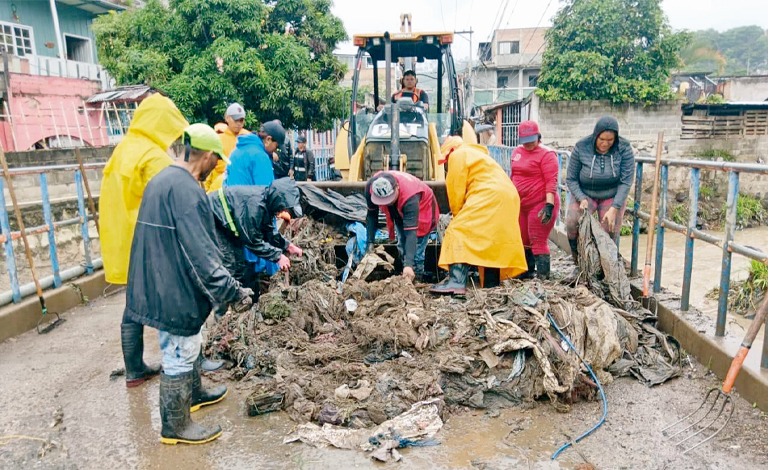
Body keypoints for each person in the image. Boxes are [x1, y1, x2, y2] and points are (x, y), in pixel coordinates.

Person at [123, 123, 255, 445]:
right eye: (216, 159)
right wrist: (232, 292)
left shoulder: (162, 179)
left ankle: (194, 394)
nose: (216, 166)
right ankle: (176, 426)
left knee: (188, 344)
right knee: (179, 354)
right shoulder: (189, 192)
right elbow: (203, 256)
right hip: (173, 288)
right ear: (207, 155)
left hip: (153, 279)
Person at [100, 93, 189, 388]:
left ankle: (135, 368)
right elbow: (174, 194)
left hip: (123, 238)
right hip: (148, 240)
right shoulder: (152, 156)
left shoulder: (124, 149)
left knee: (133, 303)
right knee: (175, 301)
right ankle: (186, 370)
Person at [430, 136, 528, 295]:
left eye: (446, 160)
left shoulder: (458, 155)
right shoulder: (480, 156)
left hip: (489, 195)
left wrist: (457, 215)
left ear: (450, 151)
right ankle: (491, 283)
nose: (447, 164)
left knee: (457, 232)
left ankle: (455, 282)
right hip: (508, 197)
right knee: (493, 239)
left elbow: (455, 190)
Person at [209, 178, 304, 316]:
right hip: (213, 219)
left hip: (227, 223)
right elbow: (253, 241)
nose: (283, 211)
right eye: (283, 207)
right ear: (278, 200)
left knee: (240, 265)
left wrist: (288, 246)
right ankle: (223, 314)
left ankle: (245, 302)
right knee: (229, 265)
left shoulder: (266, 204)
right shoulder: (255, 205)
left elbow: (269, 232)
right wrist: (278, 257)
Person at [565, 116, 635, 260]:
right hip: (585, 193)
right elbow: (571, 178)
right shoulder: (581, 146)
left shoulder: (624, 148)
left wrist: (615, 207)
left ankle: (605, 266)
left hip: (611, 195)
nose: (605, 144)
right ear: (595, 135)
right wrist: (581, 198)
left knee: (608, 230)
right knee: (572, 223)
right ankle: (578, 260)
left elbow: (626, 181)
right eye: (601, 139)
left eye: (610, 140)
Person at [365, 171, 439, 282]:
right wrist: (370, 242)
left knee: (417, 250)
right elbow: (371, 215)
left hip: (423, 209)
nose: (386, 204)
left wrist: (409, 264)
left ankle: (416, 279)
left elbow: (411, 233)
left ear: (397, 188)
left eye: (388, 200)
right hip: (398, 210)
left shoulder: (410, 197)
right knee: (401, 244)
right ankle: (403, 272)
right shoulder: (371, 187)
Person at [510, 121, 559, 279]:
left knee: (537, 238)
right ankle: (527, 271)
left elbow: (551, 182)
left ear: (538, 136)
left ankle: (544, 276)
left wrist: (549, 205)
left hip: (540, 203)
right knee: (522, 237)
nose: (528, 144)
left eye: (531, 139)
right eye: (525, 141)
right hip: (521, 204)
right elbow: (514, 175)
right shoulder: (517, 152)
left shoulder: (547, 155)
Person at [204, 103, 250, 192]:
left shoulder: (249, 138)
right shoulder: (217, 139)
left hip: (242, 187)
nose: (238, 123)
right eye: (236, 120)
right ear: (227, 118)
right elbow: (208, 167)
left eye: (241, 120)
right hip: (218, 187)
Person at [225, 120, 285, 187]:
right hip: (247, 197)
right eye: (276, 146)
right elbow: (266, 191)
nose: (275, 151)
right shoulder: (260, 157)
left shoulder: (236, 150)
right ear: (268, 140)